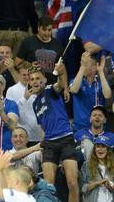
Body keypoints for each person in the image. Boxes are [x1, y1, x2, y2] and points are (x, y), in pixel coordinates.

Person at [30, 56, 77, 200]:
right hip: (49, 144)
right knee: (48, 186)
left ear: (45, 80)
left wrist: (60, 72)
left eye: (38, 78)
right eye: (32, 79)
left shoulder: (50, 90)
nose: (35, 81)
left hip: (65, 139)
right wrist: (43, 144)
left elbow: (60, 84)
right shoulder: (34, 104)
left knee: (72, 183)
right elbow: (43, 128)